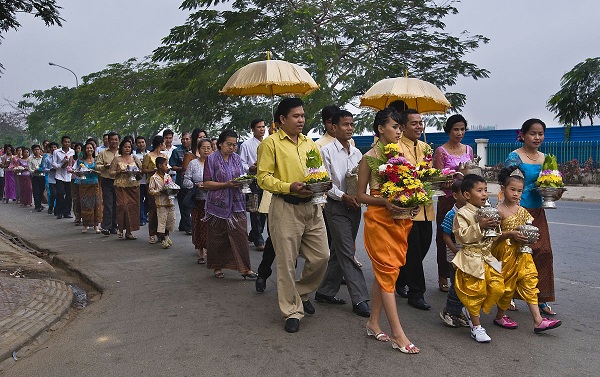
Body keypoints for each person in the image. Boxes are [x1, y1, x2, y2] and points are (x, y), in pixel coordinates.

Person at [257, 98, 330, 334]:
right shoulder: (270, 144)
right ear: (282, 119)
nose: (301, 120)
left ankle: (301, 291)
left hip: (313, 207)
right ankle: (291, 311)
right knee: (286, 263)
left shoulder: (310, 143)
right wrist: (289, 186)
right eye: (296, 116)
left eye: (303, 116)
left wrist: (322, 186)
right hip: (285, 207)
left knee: (322, 257)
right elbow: (263, 178)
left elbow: (318, 171)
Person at [356, 107, 420, 354]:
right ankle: (397, 333)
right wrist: (383, 201)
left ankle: (373, 322)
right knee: (387, 271)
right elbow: (360, 195)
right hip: (379, 221)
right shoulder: (369, 157)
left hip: (400, 221)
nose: (399, 131)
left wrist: (412, 204)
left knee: (388, 274)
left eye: (400, 127)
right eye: (395, 126)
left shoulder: (402, 156)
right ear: (381, 129)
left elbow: (409, 188)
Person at [313, 110, 370, 317]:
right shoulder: (325, 151)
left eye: (352, 124)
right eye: (345, 124)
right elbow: (324, 182)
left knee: (339, 251)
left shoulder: (356, 153)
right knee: (347, 251)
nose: (349, 128)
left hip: (353, 206)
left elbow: (361, 180)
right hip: (335, 206)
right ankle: (360, 299)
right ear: (334, 127)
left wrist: (360, 197)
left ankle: (325, 291)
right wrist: (343, 196)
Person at [492, 166, 562, 333]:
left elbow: (528, 227)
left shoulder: (522, 211)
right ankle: (500, 315)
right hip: (506, 255)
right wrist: (510, 234)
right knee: (507, 287)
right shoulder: (498, 211)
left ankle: (538, 320)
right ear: (503, 189)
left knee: (530, 282)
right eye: (512, 189)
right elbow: (493, 236)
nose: (516, 194)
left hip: (523, 253)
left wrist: (530, 237)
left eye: (520, 191)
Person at [505, 118, 558, 317]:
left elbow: (551, 182)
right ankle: (507, 294)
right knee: (516, 254)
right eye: (533, 133)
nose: (537, 137)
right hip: (518, 210)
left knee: (544, 252)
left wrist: (553, 191)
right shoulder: (515, 156)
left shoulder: (545, 158)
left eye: (540, 134)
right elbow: (509, 181)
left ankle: (541, 297)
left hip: (538, 210)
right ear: (523, 135)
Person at [452, 174, 504, 343]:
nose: (484, 194)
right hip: (471, 258)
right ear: (467, 195)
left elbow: (495, 236)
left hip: (487, 257)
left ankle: (470, 309)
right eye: (479, 190)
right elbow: (462, 237)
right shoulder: (463, 213)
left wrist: (495, 227)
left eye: (486, 190)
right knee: (476, 291)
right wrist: (479, 226)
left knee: (497, 288)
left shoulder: (488, 209)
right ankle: (476, 326)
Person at [203, 129, 257, 279]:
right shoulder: (211, 159)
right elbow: (206, 183)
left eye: (234, 145)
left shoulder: (237, 159)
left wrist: (250, 173)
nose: (232, 147)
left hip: (237, 203)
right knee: (217, 237)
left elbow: (244, 175)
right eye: (228, 144)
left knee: (240, 235)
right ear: (220, 144)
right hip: (217, 205)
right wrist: (225, 184)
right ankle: (217, 267)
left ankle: (245, 268)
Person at [395, 109, 434, 310]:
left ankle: (401, 279)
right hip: (408, 209)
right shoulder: (396, 148)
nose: (419, 126)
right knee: (413, 252)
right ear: (402, 127)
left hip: (426, 207)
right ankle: (416, 293)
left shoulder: (426, 147)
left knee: (423, 248)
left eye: (420, 122)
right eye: (414, 123)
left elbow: (431, 173)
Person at [433, 114, 474, 292]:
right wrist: (449, 180)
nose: (459, 133)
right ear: (448, 130)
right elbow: (436, 180)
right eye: (456, 129)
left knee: (466, 237)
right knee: (445, 238)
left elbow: (473, 175)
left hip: (467, 202)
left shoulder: (469, 150)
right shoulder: (441, 151)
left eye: (462, 129)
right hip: (448, 201)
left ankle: (464, 272)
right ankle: (443, 275)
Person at [438, 179, 470, 328]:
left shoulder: (472, 213)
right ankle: (449, 311)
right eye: (465, 194)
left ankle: (458, 311)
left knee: (465, 285)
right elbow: (445, 236)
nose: (468, 197)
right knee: (456, 286)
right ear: (456, 196)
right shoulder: (452, 214)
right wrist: (456, 252)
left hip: (468, 256)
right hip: (455, 257)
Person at [239, 118, 267, 250]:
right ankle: (258, 238)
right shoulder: (246, 145)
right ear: (253, 129)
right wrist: (250, 168)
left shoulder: (268, 142)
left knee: (264, 210)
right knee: (255, 209)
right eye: (259, 127)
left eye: (263, 126)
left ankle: (255, 234)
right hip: (253, 181)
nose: (262, 129)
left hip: (266, 180)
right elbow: (241, 163)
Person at [182, 137, 212, 263]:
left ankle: (213, 251)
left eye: (208, 148)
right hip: (198, 200)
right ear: (198, 150)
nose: (206, 150)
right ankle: (201, 252)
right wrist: (196, 185)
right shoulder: (193, 163)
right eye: (203, 148)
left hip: (213, 200)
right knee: (199, 225)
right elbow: (186, 180)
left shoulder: (215, 163)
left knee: (212, 227)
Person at [110, 139, 142, 239]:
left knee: (132, 208)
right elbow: (111, 173)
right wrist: (119, 172)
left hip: (133, 186)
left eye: (129, 147)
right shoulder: (117, 159)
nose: (127, 149)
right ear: (121, 148)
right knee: (122, 206)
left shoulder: (135, 158)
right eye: (125, 147)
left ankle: (129, 231)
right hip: (121, 186)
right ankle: (120, 228)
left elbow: (141, 171)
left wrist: (136, 173)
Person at [143, 135, 166, 244]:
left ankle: (162, 233)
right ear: (160, 144)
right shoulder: (148, 155)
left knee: (163, 208)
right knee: (153, 209)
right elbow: (143, 170)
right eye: (164, 143)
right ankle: (152, 233)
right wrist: (154, 170)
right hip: (152, 183)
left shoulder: (164, 156)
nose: (165, 145)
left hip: (162, 183)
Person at [148, 157, 175, 248]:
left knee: (170, 221)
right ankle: (162, 239)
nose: (167, 167)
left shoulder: (168, 176)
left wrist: (173, 190)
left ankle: (167, 237)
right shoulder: (154, 178)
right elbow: (151, 190)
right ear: (160, 166)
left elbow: (171, 186)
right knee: (162, 221)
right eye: (165, 165)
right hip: (161, 203)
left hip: (170, 202)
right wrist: (159, 192)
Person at [169, 131, 192, 234]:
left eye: (187, 139)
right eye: (183, 139)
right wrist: (182, 169)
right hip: (181, 181)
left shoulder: (195, 151)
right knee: (184, 205)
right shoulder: (176, 151)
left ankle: (183, 224)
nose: (185, 141)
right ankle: (188, 227)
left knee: (191, 204)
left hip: (193, 182)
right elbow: (172, 165)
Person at [76, 141, 102, 233]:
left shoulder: (97, 160)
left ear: (94, 149)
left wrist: (94, 171)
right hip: (84, 184)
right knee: (85, 204)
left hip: (95, 184)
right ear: (84, 150)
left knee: (96, 204)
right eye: (87, 148)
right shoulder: (81, 161)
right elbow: (77, 171)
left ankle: (96, 225)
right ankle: (86, 224)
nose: (89, 149)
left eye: (91, 148)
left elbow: (100, 172)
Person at [97, 132, 120, 235]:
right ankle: (106, 226)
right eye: (112, 139)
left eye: (116, 139)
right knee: (108, 203)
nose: (114, 141)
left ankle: (114, 226)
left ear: (119, 140)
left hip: (119, 181)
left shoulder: (122, 153)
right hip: (107, 180)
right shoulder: (103, 153)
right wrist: (104, 167)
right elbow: (97, 166)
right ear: (108, 140)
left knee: (116, 204)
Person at [52, 135, 75, 219]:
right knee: (60, 193)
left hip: (69, 176)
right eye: (65, 142)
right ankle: (59, 211)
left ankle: (67, 212)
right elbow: (54, 164)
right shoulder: (56, 152)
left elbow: (74, 163)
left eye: (68, 142)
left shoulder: (72, 152)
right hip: (60, 176)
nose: (67, 143)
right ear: (62, 143)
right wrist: (61, 165)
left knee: (69, 195)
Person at [134, 136, 149, 226]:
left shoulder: (149, 154)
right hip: (138, 181)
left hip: (148, 181)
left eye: (142, 142)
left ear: (145, 143)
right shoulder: (134, 155)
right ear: (136, 144)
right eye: (139, 142)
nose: (141, 144)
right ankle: (142, 218)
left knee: (148, 199)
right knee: (139, 200)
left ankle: (144, 214)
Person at [28, 144, 46, 212]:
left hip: (42, 176)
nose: (37, 151)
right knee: (36, 191)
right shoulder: (30, 158)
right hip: (35, 176)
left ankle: (40, 204)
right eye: (35, 149)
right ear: (33, 150)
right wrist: (34, 171)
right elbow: (29, 168)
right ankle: (37, 206)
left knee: (41, 191)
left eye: (38, 149)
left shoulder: (43, 158)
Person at [43, 142, 58, 213]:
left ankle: (58, 208)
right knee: (53, 193)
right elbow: (44, 168)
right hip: (51, 178)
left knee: (60, 194)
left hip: (59, 178)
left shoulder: (60, 158)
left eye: (55, 147)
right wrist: (50, 170)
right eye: (52, 147)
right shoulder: (47, 158)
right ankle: (51, 206)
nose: (53, 149)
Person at [71, 142, 83, 225]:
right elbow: (71, 168)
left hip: (87, 181)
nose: (79, 150)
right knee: (76, 198)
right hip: (75, 179)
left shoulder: (88, 159)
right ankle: (77, 216)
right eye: (78, 148)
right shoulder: (75, 159)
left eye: (81, 148)